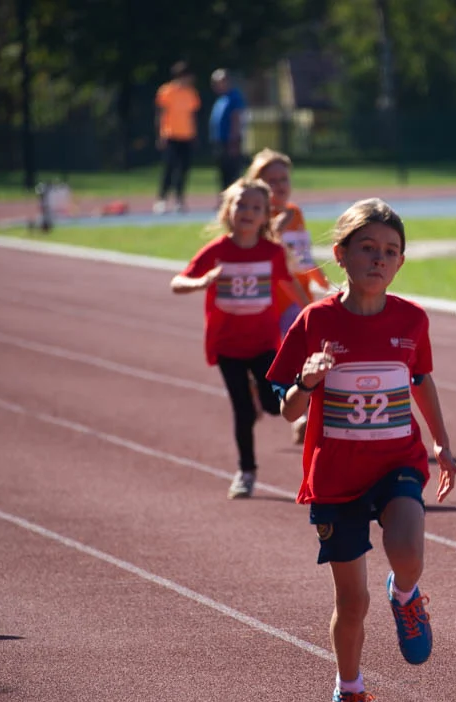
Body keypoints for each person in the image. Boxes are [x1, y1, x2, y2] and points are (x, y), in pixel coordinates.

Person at [266, 198, 456, 702]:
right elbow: (286, 409)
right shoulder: (315, 321)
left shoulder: (411, 320)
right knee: (352, 602)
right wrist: (306, 382)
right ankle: (348, 691)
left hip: (397, 460)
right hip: (336, 477)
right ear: (341, 255)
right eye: (367, 249)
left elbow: (420, 379)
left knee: (408, 551)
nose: (379, 259)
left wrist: (442, 443)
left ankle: (407, 596)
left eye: (390, 252)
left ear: (400, 263)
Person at [170, 177, 300, 499]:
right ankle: (246, 471)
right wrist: (202, 282)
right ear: (228, 209)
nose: (248, 211)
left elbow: (291, 286)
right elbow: (177, 282)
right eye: (241, 204)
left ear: (265, 216)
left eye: (256, 207)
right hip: (227, 345)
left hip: (264, 343)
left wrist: (317, 311)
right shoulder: (217, 251)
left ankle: (260, 390)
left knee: (273, 406)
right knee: (242, 410)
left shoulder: (272, 252)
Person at [246, 148, 336, 444]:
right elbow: (258, 250)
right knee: (276, 359)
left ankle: (305, 417)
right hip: (269, 301)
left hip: (299, 298)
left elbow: (301, 256)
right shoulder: (253, 215)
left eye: (283, 179)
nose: (279, 186)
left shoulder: (295, 213)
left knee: (305, 357)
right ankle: (263, 390)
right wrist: (274, 226)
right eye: (271, 180)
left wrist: (319, 279)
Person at [153, 61, 200, 214]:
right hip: (171, 135)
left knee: (183, 169)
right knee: (169, 168)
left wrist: (194, 133)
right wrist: (161, 134)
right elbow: (161, 114)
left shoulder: (191, 93)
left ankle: (179, 199)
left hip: (186, 136)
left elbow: (193, 115)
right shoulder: (166, 91)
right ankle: (162, 199)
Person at [209, 69, 246, 202]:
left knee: (232, 173)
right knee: (223, 173)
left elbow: (236, 118)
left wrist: (234, 141)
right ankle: (224, 198)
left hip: (230, 141)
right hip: (220, 141)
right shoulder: (221, 98)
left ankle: (234, 199)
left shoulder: (234, 97)